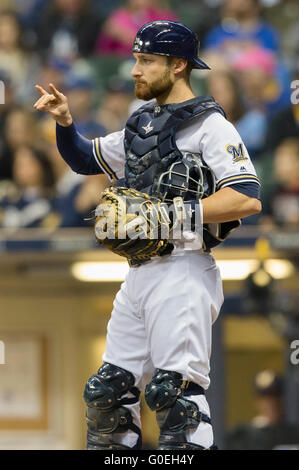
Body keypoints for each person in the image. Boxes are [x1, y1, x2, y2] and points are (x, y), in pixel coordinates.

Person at [33, 20, 261, 450]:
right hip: (139, 274)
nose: (135, 70)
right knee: (106, 395)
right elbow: (85, 160)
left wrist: (166, 214)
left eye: (146, 61)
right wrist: (65, 122)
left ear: (178, 65)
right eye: (136, 59)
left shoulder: (212, 126)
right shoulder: (144, 124)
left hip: (185, 268)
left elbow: (246, 198)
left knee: (174, 398)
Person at [224, 370, 299, 450]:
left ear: (282, 399)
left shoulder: (293, 434)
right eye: (265, 398)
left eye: (274, 396)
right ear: (257, 401)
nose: (271, 403)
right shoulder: (241, 436)